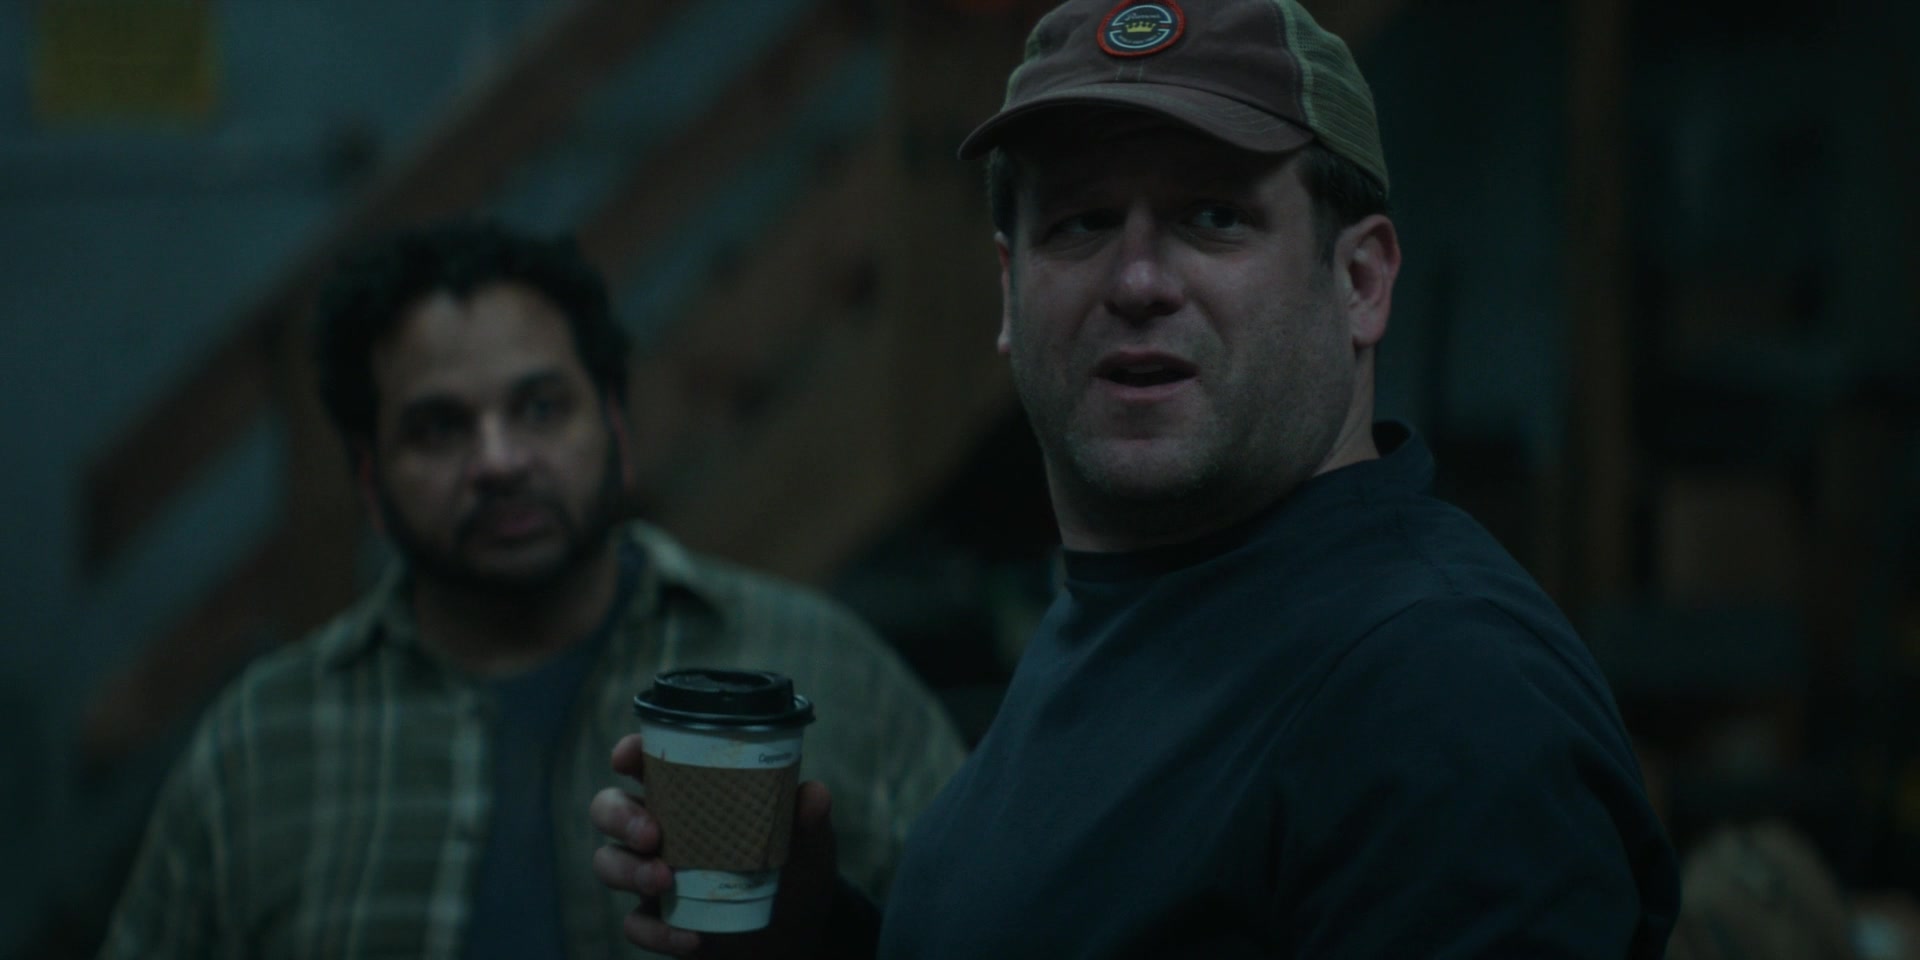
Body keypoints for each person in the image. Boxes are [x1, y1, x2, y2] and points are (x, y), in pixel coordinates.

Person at [591, 0, 1681, 956]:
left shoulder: (1440, 695)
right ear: (1011, 296)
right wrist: (814, 944)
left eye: (1214, 215)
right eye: (1083, 222)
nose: (1140, 279)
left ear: (1360, 280)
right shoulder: (1140, 609)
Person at [98, 219, 966, 959]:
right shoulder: (261, 742)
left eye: (541, 408)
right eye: (438, 428)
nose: (500, 461)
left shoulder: (826, 673)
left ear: (617, 429)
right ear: (370, 482)